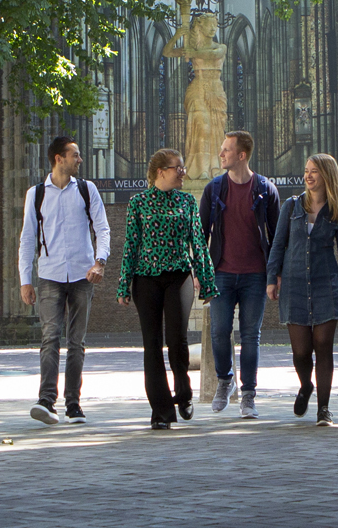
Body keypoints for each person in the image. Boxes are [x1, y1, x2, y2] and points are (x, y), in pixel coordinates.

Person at [119, 149, 220, 430]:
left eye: (183, 167)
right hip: (146, 279)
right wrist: (123, 284)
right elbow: (131, 245)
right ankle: (161, 411)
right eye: (178, 168)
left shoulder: (187, 202)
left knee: (177, 339)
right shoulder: (138, 203)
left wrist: (207, 282)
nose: (183, 172)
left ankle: (184, 392)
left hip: (178, 276)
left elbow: (198, 244)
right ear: (161, 171)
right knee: (151, 344)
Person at [17, 137, 110, 426]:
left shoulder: (87, 190)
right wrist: (25, 280)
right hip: (49, 275)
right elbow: (27, 239)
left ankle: (73, 404)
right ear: (59, 158)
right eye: (75, 155)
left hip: (83, 274)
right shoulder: (36, 194)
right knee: (49, 338)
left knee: (76, 342)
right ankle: (46, 400)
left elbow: (102, 228)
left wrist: (100, 261)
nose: (79, 160)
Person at [264, 153, 338, 426]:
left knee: (323, 346)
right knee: (301, 352)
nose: (308, 176)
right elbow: (278, 244)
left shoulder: (337, 211)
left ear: (326, 175)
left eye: (314, 171)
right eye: (306, 171)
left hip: (326, 286)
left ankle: (324, 408)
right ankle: (306, 386)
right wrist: (272, 277)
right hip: (294, 286)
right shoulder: (291, 207)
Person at [199, 131, 279, 418]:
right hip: (221, 273)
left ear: (241, 155)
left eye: (226, 150)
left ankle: (248, 395)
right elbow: (200, 234)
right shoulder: (214, 189)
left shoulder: (265, 190)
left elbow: (276, 236)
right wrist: (201, 272)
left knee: (250, 335)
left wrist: (275, 274)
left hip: (255, 275)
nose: (221, 154)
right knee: (220, 332)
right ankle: (225, 380)